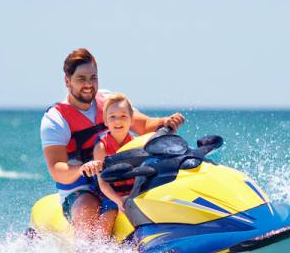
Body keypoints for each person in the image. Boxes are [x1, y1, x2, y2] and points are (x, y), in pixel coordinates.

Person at [40, 48, 184, 239]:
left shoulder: (109, 102)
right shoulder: (55, 119)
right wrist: (82, 168)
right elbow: (56, 168)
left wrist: (165, 122)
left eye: (93, 77)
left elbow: (144, 125)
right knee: (87, 211)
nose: (89, 84)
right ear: (67, 81)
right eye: (81, 78)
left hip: (117, 180)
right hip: (81, 189)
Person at [93, 93, 136, 231]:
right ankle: (99, 249)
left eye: (123, 116)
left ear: (131, 119)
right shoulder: (101, 147)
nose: (118, 121)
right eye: (112, 117)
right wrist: (119, 201)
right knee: (108, 217)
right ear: (105, 121)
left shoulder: (137, 145)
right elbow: (103, 183)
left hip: (134, 193)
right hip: (111, 195)